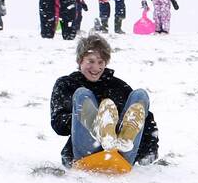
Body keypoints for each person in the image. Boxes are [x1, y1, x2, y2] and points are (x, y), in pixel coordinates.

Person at [49, 34, 159, 168]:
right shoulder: (67, 84)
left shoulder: (117, 86)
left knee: (140, 95)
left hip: (121, 156)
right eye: (91, 61)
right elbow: (58, 123)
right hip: (87, 154)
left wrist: (150, 150)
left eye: (100, 62)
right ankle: (100, 129)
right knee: (82, 94)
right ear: (80, 61)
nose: (96, 68)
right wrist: (83, 118)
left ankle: (124, 137)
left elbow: (146, 120)